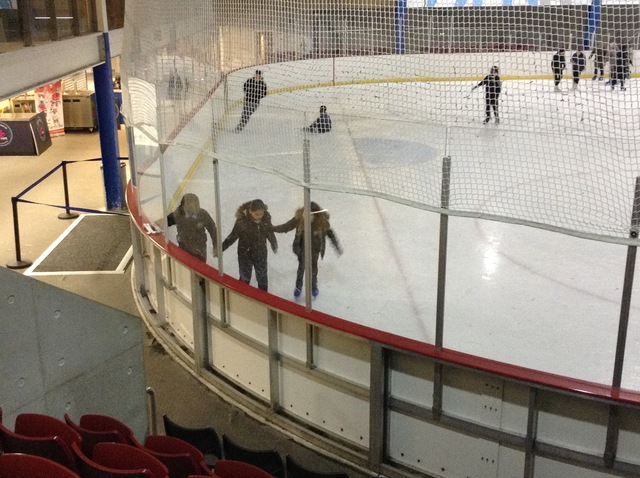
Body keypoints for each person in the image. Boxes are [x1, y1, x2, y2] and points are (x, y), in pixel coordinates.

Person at [273, 202, 342, 299]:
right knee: (301, 269)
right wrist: (273, 228)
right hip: (302, 250)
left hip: (315, 250)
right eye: (305, 213)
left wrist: (336, 246)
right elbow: (287, 226)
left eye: (310, 215)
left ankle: (313, 286)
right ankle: (298, 287)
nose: (307, 217)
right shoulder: (300, 219)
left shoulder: (321, 223)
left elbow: (330, 234)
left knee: (313, 269)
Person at [222, 199, 277, 292]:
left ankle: (263, 297)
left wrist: (273, 242)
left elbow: (269, 232)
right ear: (250, 211)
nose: (259, 217)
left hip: (260, 253)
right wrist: (221, 248)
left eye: (261, 213)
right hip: (245, 254)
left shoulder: (266, 219)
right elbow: (233, 236)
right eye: (256, 214)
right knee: (245, 278)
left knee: (262, 278)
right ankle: (242, 295)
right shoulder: (242, 222)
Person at [166, 193, 217, 262]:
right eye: (194, 206)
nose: (197, 208)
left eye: (197, 205)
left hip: (200, 251)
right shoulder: (178, 215)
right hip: (183, 249)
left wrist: (216, 245)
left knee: (199, 266)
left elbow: (213, 230)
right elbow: (165, 222)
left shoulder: (203, 214)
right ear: (185, 206)